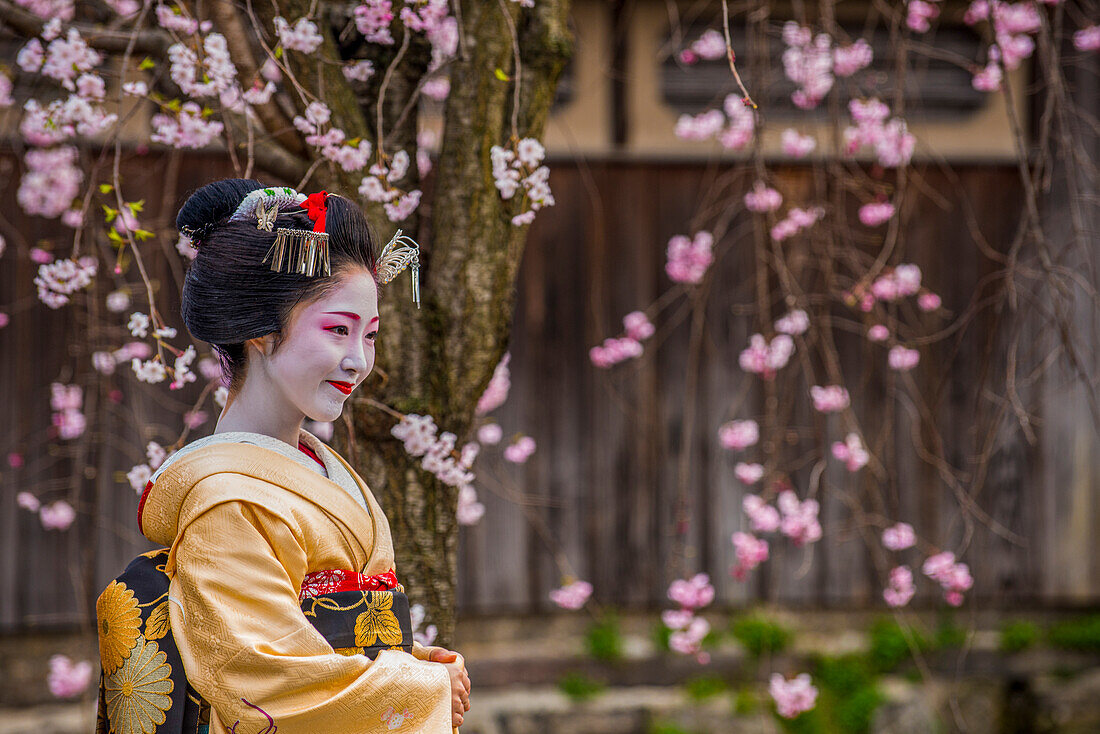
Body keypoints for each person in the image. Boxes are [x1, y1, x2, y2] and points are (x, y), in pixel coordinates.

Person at [95, 179, 469, 734]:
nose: (357, 360)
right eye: (337, 330)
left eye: (369, 335)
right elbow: (265, 679)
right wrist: (415, 693)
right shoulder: (226, 497)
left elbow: (336, 640)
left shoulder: (313, 468)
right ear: (262, 333)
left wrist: (408, 666)